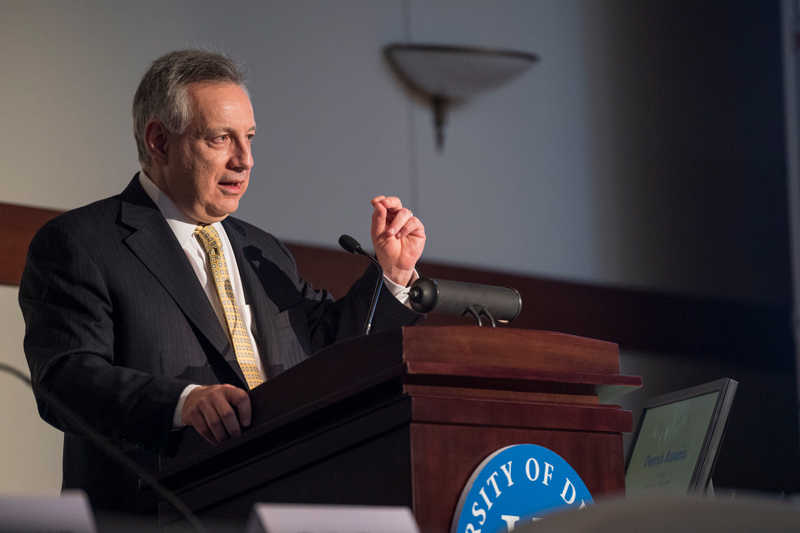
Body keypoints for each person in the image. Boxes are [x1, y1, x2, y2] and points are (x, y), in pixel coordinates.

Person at [18, 49, 425, 514]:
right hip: (160, 515)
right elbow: (65, 379)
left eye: (249, 138)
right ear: (159, 141)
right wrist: (183, 403)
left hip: (284, 505)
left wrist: (392, 274)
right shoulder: (82, 242)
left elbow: (332, 349)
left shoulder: (263, 249)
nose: (245, 159)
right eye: (221, 139)